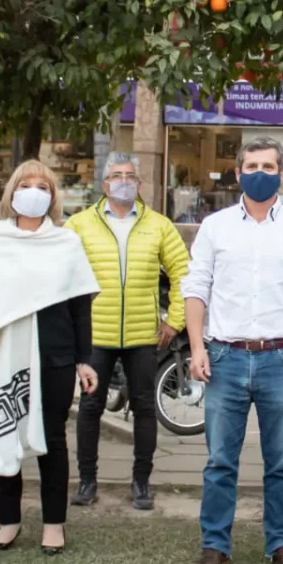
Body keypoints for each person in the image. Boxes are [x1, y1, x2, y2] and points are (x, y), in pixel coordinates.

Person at [183, 137, 283, 564]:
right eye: (251, 164)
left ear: (281, 173)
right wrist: (195, 348)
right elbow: (196, 288)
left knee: (282, 461)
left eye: (268, 165)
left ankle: (281, 544)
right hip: (225, 357)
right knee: (219, 461)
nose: (259, 171)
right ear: (237, 171)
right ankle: (215, 547)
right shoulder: (216, 226)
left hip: (282, 359)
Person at [0, 160, 101, 555]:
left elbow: (81, 306)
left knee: (52, 438)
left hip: (55, 355)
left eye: (43, 185)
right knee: (2, 432)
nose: (34, 191)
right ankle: (8, 522)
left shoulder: (66, 243)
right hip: (1, 355)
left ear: (53, 196)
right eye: (26, 184)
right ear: (12, 194)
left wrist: (86, 359)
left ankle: (53, 525)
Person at [67, 153, 190, 511]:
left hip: (143, 335)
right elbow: (62, 277)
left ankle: (141, 482)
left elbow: (183, 273)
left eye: (130, 176)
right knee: (90, 408)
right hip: (95, 336)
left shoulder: (159, 225)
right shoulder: (78, 225)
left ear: (139, 183)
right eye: (116, 175)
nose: (124, 181)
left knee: (144, 407)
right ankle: (87, 481)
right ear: (104, 184)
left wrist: (174, 321)